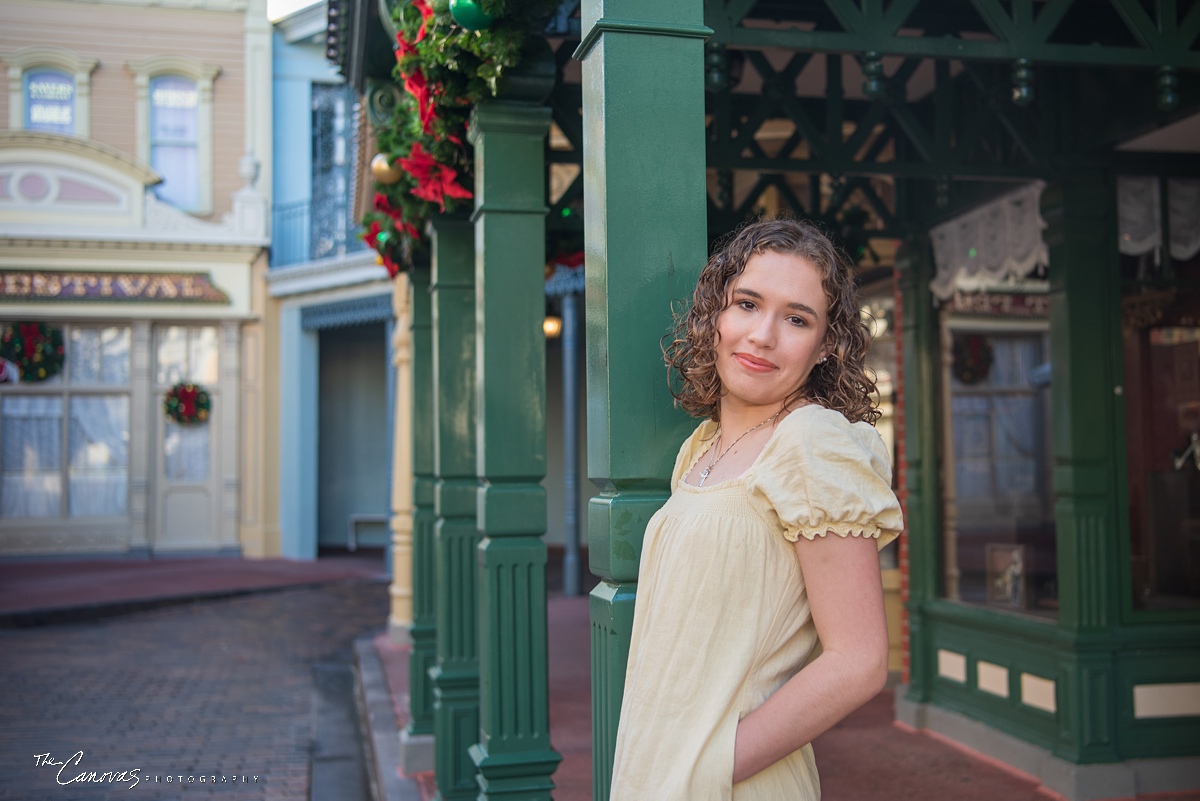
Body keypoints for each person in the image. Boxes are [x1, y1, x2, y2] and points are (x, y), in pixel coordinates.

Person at [608, 218, 904, 800]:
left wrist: (711, 765)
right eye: (746, 304)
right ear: (714, 315)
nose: (762, 335)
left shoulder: (813, 443)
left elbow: (860, 660)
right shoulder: (701, 448)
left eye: (797, 319)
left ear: (824, 348)